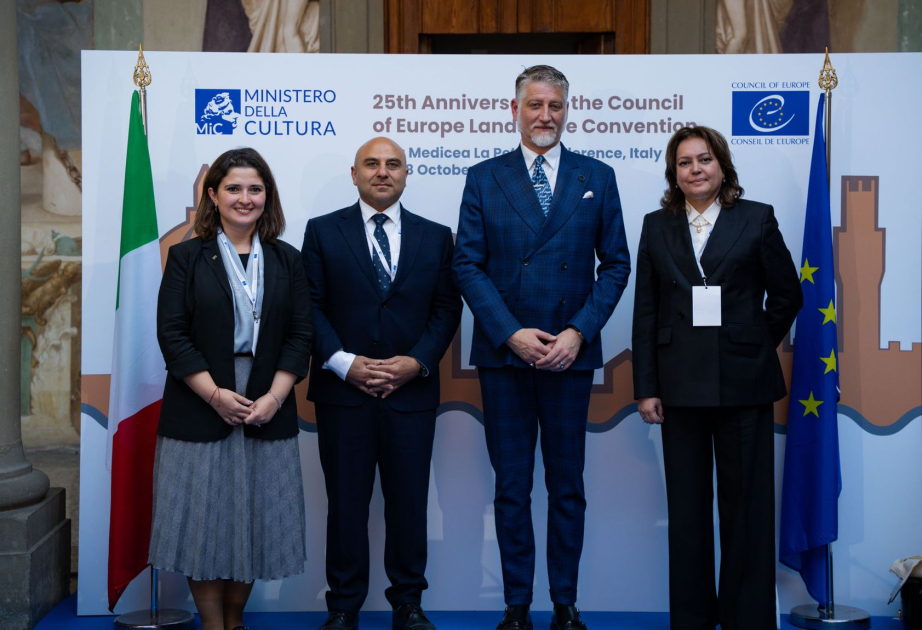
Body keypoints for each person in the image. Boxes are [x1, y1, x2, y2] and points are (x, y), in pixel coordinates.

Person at [452, 65, 631, 630]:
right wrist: (510, 332)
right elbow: (467, 263)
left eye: (554, 105)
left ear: (567, 110)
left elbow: (617, 264)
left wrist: (579, 331)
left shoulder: (596, 177)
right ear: (515, 109)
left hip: (568, 356)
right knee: (510, 487)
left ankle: (565, 604)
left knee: (567, 486)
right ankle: (515, 608)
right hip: (506, 356)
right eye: (534, 105)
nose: (545, 115)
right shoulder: (484, 177)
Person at [632, 125, 802, 630]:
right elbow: (645, 312)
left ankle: (746, 618)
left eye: (704, 159)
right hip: (677, 387)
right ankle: (691, 621)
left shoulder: (757, 218)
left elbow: (788, 295)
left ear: (722, 166)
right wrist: (646, 387)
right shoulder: (655, 225)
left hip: (743, 384)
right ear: (674, 174)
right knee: (686, 515)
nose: (695, 169)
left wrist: (751, 344)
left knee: (746, 511)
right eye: (684, 163)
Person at [301, 137, 462, 630]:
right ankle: (343, 607)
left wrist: (417, 362)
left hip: (410, 394)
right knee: (346, 505)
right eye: (371, 164)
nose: (382, 172)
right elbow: (309, 305)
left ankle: (408, 604)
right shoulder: (323, 232)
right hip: (342, 394)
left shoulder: (436, 237)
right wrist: (343, 362)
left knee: (408, 504)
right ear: (354, 174)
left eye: (393, 164)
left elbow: (446, 307)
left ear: (407, 175)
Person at [150, 147, 311, 630]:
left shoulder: (288, 259)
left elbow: (300, 335)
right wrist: (215, 395)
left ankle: (236, 621)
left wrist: (275, 397)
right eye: (234, 188)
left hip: (268, 400)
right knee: (206, 523)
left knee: (257, 519)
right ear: (214, 196)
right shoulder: (186, 256)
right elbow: (172, 334)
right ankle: (212, 624)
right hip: (202, 400)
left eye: (255, 189)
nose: (245, 198)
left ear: (268, 196)